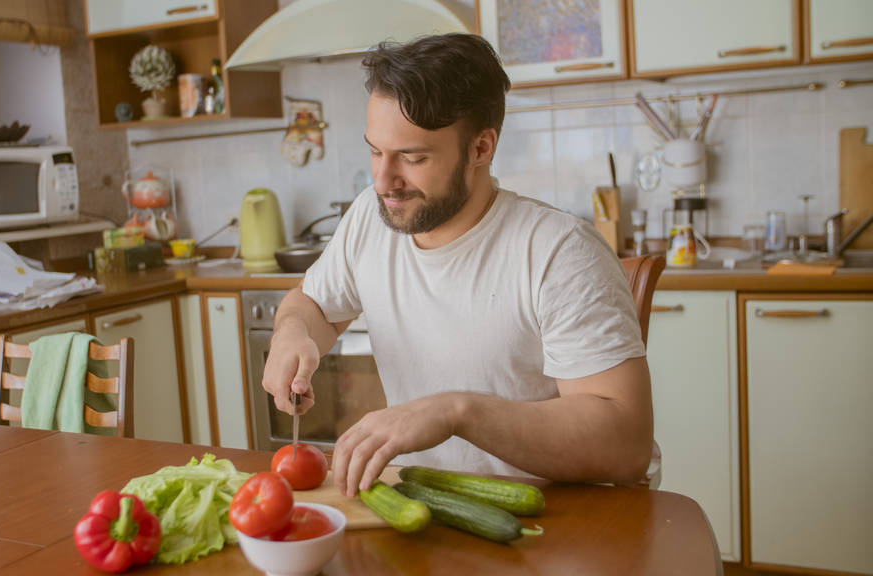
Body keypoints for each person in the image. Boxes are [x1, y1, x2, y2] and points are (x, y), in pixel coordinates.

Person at [261, 33, 653, 498]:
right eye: (375, 151)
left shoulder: (559, 250)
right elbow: (314, 306)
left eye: (413, 157)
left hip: (549, 513)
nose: (383, 181)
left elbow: (626, 445)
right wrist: (292, 332)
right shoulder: (369, 216)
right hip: (419, 503)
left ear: (481, 148)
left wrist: (456, 412)